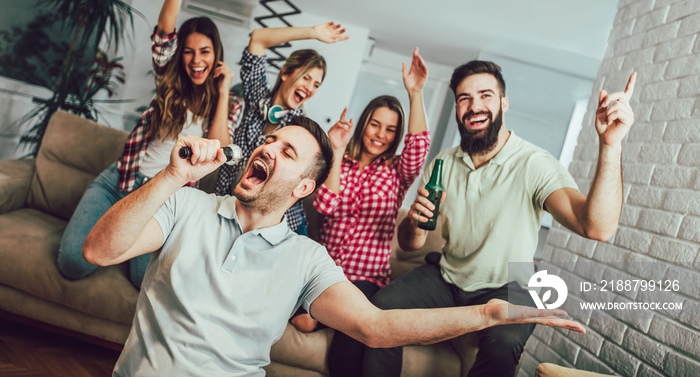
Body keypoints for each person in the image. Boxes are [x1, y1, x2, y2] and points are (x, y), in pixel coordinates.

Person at [82, 116, 586, 376]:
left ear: (303, 188)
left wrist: (488, 316)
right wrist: (173, 176)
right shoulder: (185, 205)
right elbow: (100, 252)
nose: (266, 149)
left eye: (287, 151)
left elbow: (376, 326)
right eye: (269, 141)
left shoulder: (305, 258)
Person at [356, 61, 636, 376]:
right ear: (457, 106)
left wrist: (610, 146)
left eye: (485, 95)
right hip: (448, 276)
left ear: (503, 102)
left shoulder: (533, 163)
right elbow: (409, 245)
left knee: (505, 341)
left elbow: (596, 227)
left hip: (511, 283)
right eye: (465, 98)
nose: (475, 105)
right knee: (381, 308)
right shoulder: (443, 163)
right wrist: (415, 224)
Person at [57, 0, 236, 288]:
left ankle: (116, 242)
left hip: (162, 197)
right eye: (188, 52)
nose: (196, 60)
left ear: (216, 54)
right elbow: (165, 29)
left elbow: (220, 146)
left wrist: (224, 90)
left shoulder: (225, 102)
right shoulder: (169, 82)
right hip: (119, 181)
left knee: (143, 280)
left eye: (204, 52)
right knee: (73, 264)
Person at [293, 49, 431, 376]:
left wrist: (415, 92)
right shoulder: (340, 161)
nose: (380, 135)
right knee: (303, 321)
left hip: (366, 281)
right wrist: (337, 150)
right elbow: (326, 205)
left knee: (350, 337)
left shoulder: (397, 171)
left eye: (390, 130)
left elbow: (419, 147)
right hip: (324, 272)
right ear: (364, 123)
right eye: (375, 125)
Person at [214, 20, 349, 235]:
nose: (310, 88)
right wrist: (312, 31)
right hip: (229, 207)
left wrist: (336, 147)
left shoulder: (302, 131)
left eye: (316, 84)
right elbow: (258, 38)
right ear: (285, 73)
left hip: (281, 227)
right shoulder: (256, 96)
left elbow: (327, 200)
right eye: (306, 77)